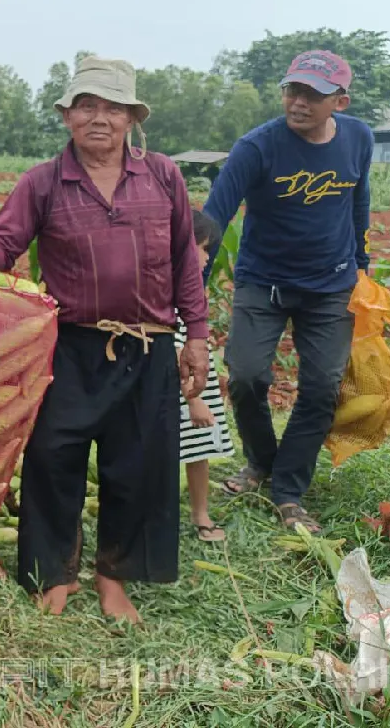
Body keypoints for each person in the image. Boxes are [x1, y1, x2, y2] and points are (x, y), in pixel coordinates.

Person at [0, 56, 210, 625]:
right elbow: (4, 242)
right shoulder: (43, 182)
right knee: (54, 457)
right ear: (66, 117)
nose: (99, 118)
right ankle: (54, 573)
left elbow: (185, 258)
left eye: (112, 108)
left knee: (137, 465)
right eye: (86, 106)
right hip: (70, 345)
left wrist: (197, 334)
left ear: (131, 118)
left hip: (149, 344)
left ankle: (114, 577)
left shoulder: (161, 176)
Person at [203, 49, 372, 535]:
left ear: (339, 101)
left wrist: (361, 267)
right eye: (292, 90)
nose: (299, 102)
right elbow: (215, 217)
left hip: (331, 286)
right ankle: (261, 461)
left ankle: (289, 488)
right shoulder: (256, 148)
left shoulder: (359, 137)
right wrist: (192, 286)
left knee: (321, 389)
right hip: (264, 282)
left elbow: (359, 200)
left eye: (312, 95)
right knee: (246, 377)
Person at [176, 209, 235, 543]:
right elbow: (174, 348)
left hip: (195, 382)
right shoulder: (162, 293)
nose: (207, 258)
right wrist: (193, 399)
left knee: (199, 452)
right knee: (171, 450)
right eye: (204, 249)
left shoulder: (190, 291)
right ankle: (162, 514)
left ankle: (200, 513)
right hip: (181, 388)